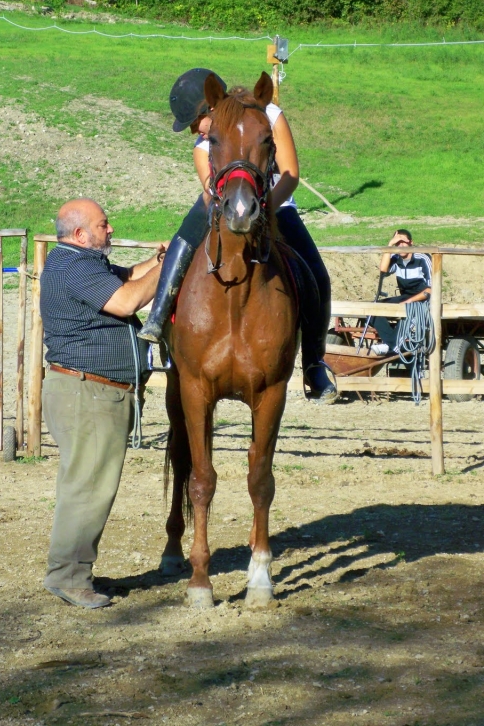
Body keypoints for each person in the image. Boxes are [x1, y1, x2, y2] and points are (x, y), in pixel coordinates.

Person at [139, 67, 337, 403]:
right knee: (181, 242)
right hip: (223, 208)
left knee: (317, 275)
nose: (193, 132)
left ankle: (314, 362)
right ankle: (157, 319)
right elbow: (208, 189)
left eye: (193, 123)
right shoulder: (204, 147)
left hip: (274, 206)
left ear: (209, 110)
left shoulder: (269, 115)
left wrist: (264, 210)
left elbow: (289, 173)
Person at [40, 198, 166, 609]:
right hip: (87, 394)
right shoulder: (72, 266)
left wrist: (157, 259)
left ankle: (73, 570)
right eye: (103, 224)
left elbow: (129, 277)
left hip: (90, 393)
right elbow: (127, 301)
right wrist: (171, 266)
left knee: (86, 484)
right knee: (88, 488)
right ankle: (69, 577)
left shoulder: (83, 262)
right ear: (80, 235)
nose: (110, 230)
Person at [371, 229, 432, 355]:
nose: (401, 246)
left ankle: (388, 345)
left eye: (403, 242)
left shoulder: (423, 258)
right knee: (372, 309)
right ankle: (393, 344)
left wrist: (410, 301)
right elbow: (383, 270)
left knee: (408, 311)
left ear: (411, 242)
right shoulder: (395, 258)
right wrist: (389, 245)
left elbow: (431, 288)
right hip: (404, 297)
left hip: (422, 299)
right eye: (397, 243)